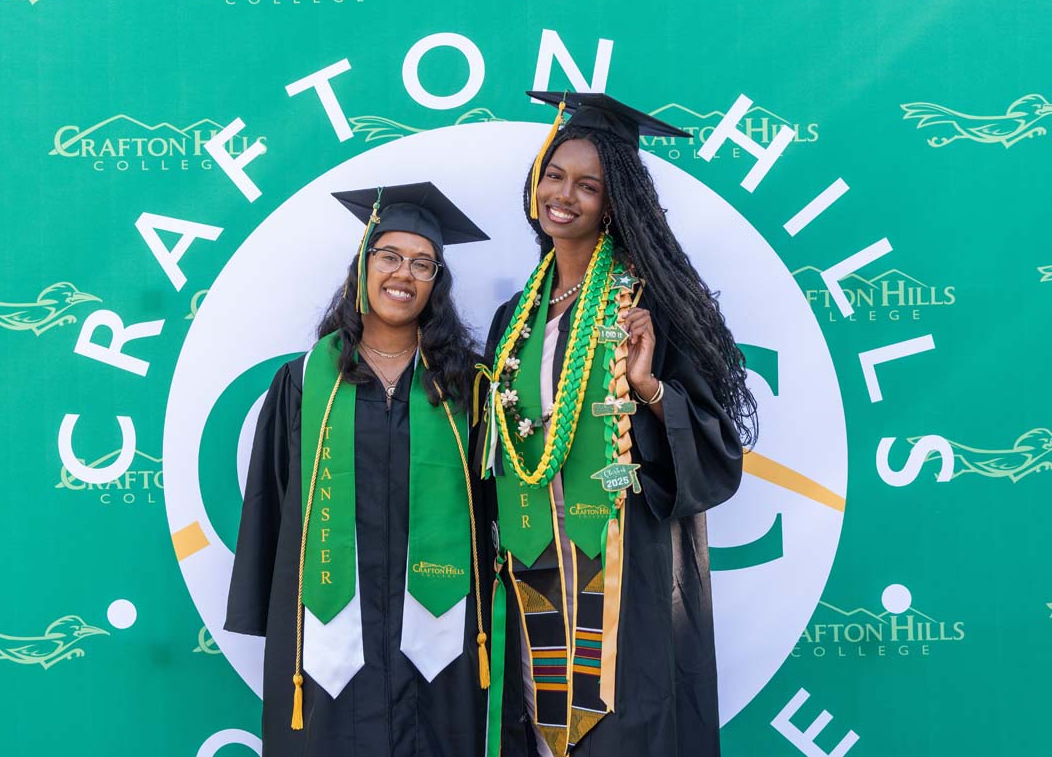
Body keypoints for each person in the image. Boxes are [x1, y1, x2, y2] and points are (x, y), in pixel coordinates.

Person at [479, 93, 757, 756]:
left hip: (622, 573)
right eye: (553, 174)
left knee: (622, 730)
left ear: (616, 203)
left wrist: (649, 386)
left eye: (587, 185)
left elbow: (716, 452)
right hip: (531, 567)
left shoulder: (645, 305)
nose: (562, 194)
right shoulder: (515, 319)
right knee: (539, 727)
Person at [225, 182, 492, 757]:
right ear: (362, 267)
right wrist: (263, 608)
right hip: (326, 636)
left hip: (441, 636)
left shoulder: (467, 385)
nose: (404, 274)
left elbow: (492, 504)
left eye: (424, 263)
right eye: (389, 256)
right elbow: (269, 505)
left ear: (437, 283)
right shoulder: (303, 384)